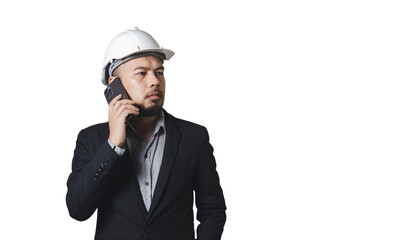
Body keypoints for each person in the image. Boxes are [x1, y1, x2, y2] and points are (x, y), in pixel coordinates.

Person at [66, 27, 226, 240]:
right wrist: (113, 145)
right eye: (141, 73)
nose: (154, 81)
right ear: (115, 86)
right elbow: (78, 209)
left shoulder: (193, 137)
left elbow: (212, 210)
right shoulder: (91, 139)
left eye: (159, 72)